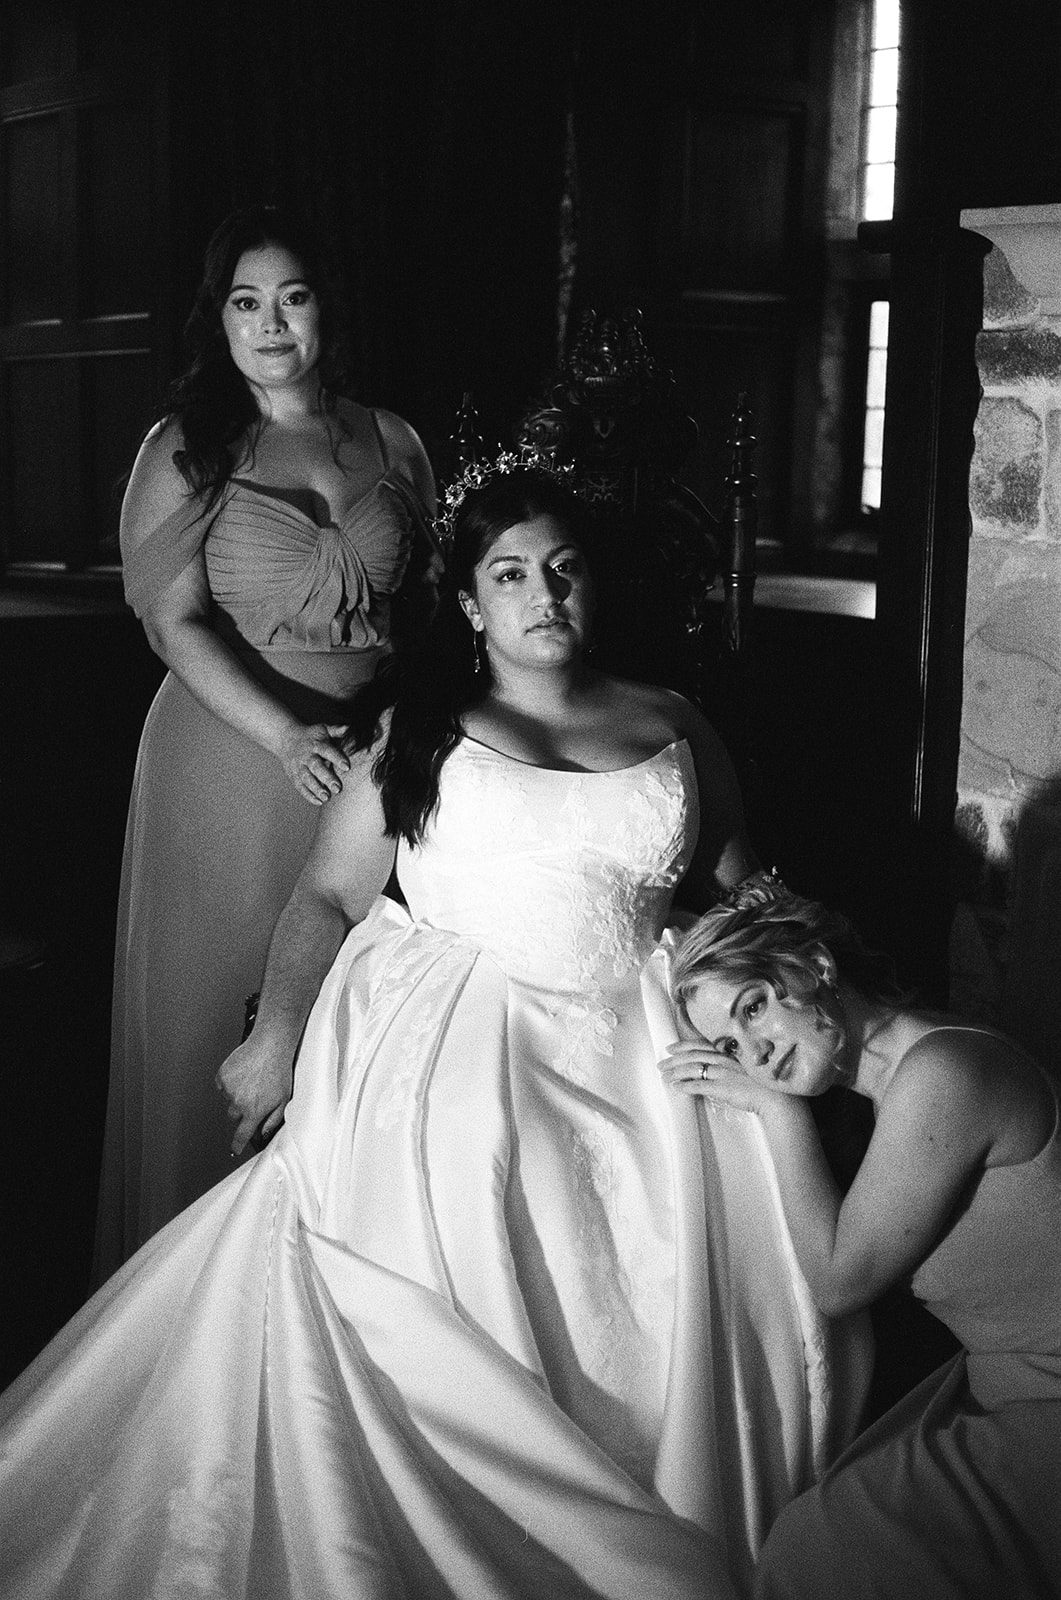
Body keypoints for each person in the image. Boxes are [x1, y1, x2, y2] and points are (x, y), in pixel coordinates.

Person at [1, 467, 868, 1600]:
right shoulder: (420, 733)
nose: (541, 594)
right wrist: (281, 1041)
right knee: (462, 1182)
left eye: (562, 569)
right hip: (464, 1027)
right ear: (468, 603)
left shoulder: (669, 723)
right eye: (508, 575)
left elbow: (736, 891)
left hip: (638, 1030)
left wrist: (827, 983)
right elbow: (325, 895)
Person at [93, 205, 437, 1280]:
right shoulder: (187, 444)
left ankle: (322, 1298)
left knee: (358, 1013)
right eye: (246, 302)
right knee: (227, 1009)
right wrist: (288, 734)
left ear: (324, 309)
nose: (270, 322)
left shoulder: (394, 440)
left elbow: (428, 609)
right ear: (220, 320)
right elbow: (167, 619)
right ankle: (191, 1290)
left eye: (291, 296)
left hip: (373, 760)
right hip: (231, 750)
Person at [663, 886, 1061, 1600]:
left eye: (752, 1005)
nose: (752, 1051)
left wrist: (775, 1112)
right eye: (727, 1046)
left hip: (1047, 1398)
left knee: (820, 1548)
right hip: (1004, 1389)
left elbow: (838, 1283)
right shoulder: (892, 1089)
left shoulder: (940, 1073)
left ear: (813, 964)